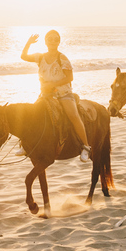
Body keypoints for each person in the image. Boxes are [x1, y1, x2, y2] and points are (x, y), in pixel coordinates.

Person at [21, 30, 91, 162]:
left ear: (59, 42)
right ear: (45, 41)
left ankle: (86, 147)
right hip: (46, 94)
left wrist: (53, 84)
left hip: (63, 93)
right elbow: (23, 56)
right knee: (32, 115)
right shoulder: (40, 57)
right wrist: (28, 43)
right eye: (50, 39)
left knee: (73, 116)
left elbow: (70, 77)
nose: (52, 41)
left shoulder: (62, 58)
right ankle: (25, 145)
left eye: (55, 39)